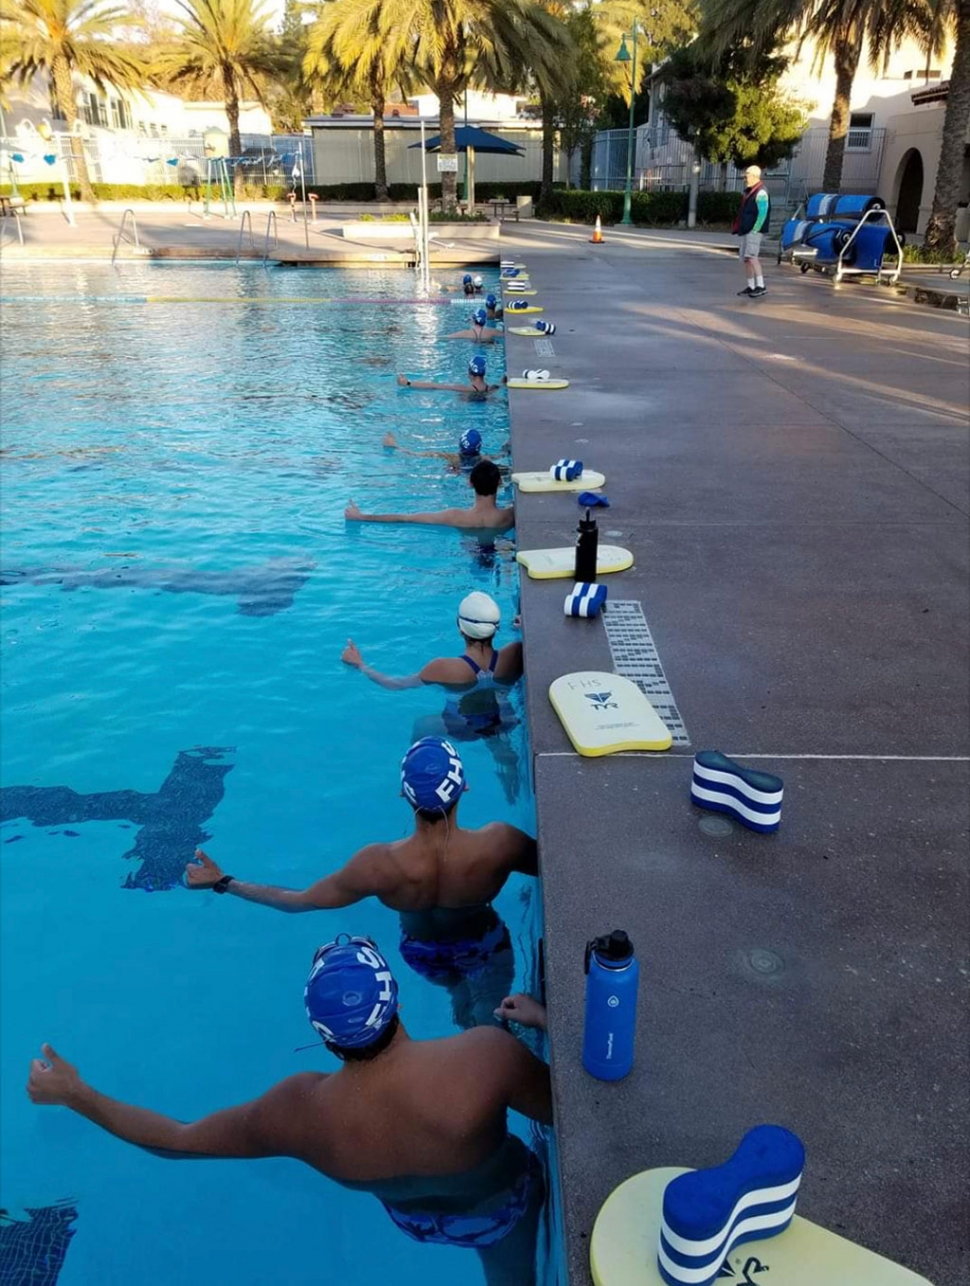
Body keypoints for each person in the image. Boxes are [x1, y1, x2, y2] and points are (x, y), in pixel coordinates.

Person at [27, 940, 551, 1286]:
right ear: (393, 1002)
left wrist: (78, 1095)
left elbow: (177, 1139)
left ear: (323, 1037)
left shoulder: (298, 1112)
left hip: (414, 1220)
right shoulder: (484, 1057)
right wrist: (546, 1021)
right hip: (499, 1207)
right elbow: (564, 1112)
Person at [185, 737, 536, 1029]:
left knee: (460, 1003)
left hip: (424, 955)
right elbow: (549, 866)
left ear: (405, 795)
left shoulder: (377, 865)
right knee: (492, 1019)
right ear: (465, 786)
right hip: (485, 946)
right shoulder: (499, 844)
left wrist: (224, 882)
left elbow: (298, 901)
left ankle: (463, 1008)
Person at [345, 459, 513, 532]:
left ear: (470, 483)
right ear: (499, 483)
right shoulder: (511, 515)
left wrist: (362, 516)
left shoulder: (454, 517)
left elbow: (406, 518)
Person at [382, 427, 506, 473]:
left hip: (455, 471)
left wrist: (395, 446)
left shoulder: (450, 457)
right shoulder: (487, 459)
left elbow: (417, 455)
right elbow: (503, 454)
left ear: (460, 445)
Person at [733, 165, 771, 298]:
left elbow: (762, 213)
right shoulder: (750, 191)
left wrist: (755, 229)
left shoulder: (761, 192)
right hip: (746, 229)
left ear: (755, 176)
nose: (745, 178)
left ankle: (761, 286)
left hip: (753, 231)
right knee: (746, 259)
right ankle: (751, 286)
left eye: (747, 175)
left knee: (752, 257)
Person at [397, 355, 504, 398]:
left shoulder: (464, 389)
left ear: (470, 373)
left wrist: (408, 383)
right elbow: (502, 383)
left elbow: (435, 386)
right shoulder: (492, 388)